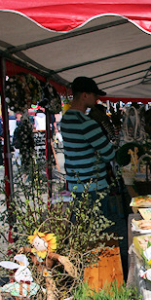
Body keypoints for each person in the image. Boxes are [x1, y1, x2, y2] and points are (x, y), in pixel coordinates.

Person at [60, 76, 116, 211]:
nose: (97, 99)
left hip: (74, 184)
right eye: (94, 95)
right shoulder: (86, 123)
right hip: (93, 186)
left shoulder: (66, 119)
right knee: (98, 228)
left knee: (83, 227)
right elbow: (109, 153)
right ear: (85, 95)